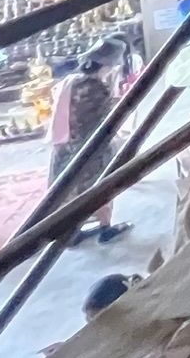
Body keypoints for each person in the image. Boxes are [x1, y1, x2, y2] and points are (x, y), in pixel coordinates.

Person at [49, 38, 130, 245]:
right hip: (91, 150)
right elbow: (107, 122)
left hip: (66, 146)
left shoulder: (70, 81)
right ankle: (105, 228)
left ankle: (71, 233)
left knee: (71, 191)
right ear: (107, 65)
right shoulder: (96, 88)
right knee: (101, 187)